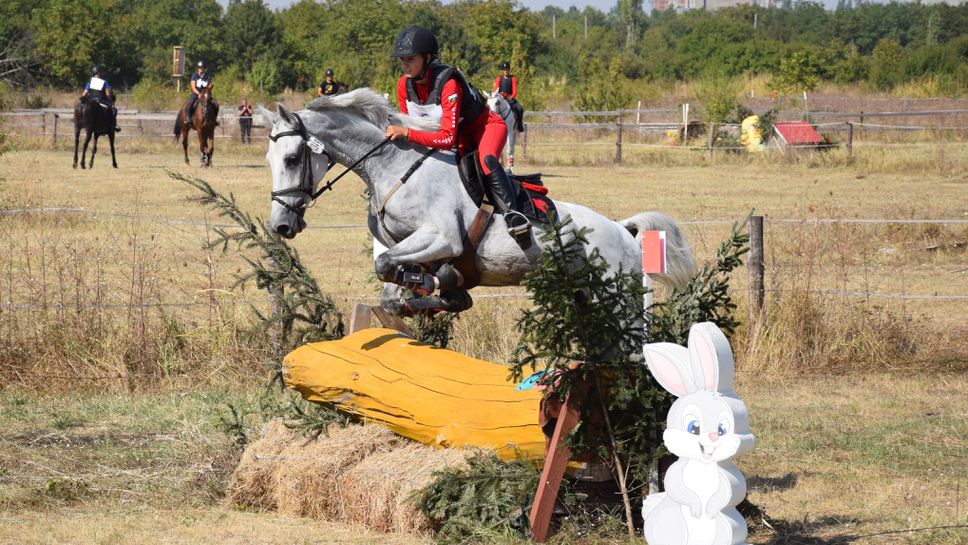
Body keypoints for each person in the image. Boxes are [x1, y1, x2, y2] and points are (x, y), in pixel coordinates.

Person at [385, 27, 530, 244]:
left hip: (485, 128)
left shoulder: (448, 83)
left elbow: (445, 138)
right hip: (458, 138)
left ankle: (514, 215)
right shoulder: (403, 85)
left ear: (427, 58)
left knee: (486, 160)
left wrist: (406, 132)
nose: (405, 64)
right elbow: (413, 127)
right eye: (402, 59)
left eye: (410, 59)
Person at [81, 66, 120, 132]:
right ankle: (113, 125)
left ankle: (82, 122)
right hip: (100, 100)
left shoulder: (90, 81)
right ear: (99, 73)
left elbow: (84, 93)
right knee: (114, 109)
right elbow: (107, 94)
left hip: (91, 101)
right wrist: (110, 100)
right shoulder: (104, 82)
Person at [493, 61, 525, 133]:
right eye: (504, 70)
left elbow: (515, 91)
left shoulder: (513, 78)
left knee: (520, 108)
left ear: (509, 70)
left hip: (509, 98)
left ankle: (519, 125)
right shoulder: (498, 79)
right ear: (502, 71)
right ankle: (492, 126)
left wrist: (511, 96)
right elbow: (496, 90)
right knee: (493, 109)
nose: (506, 71)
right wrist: (500, 95)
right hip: (501, 99)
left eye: (507, 69)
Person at [187, 60, 216, 125]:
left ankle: (214, 120)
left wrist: (210, 86)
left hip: (206, 93)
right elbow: (193, 87)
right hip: (196, 92)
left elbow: (210, 84)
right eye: (199, 67)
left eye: (202, 67)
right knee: (190, 103)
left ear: (204, 68)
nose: (200, 69)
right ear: (197, 68)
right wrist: (199, 94)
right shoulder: (194, 75)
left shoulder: (208, 76)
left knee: (215, 103)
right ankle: (188, 118)